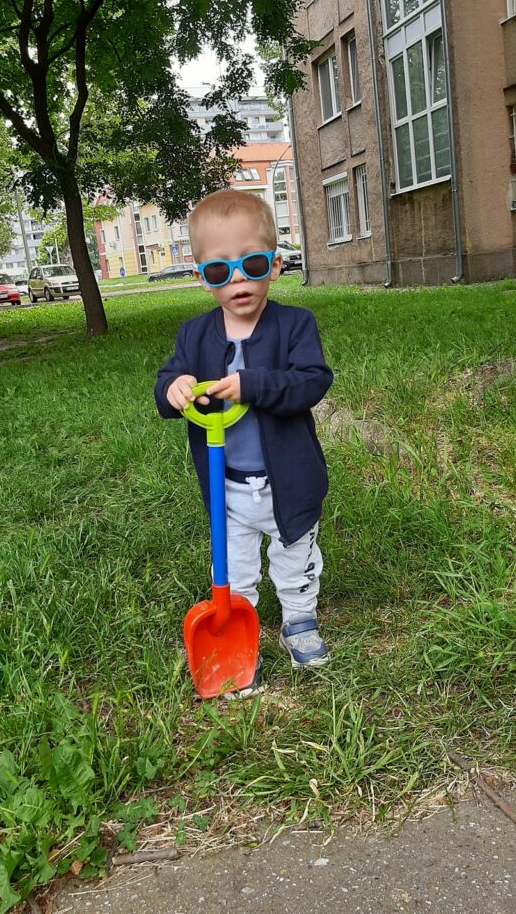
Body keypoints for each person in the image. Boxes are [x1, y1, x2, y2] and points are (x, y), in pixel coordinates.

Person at [154, 189, 333, 693]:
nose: (237, 280)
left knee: (295, 556)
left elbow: (312, 381)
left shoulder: (295, 325)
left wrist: (253, 385)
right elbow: (166, 386)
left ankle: (299, 618)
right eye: (219, 270)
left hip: (288, 481)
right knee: (232, 565)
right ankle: (234, 622)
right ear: (201, 277)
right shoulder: (193, 336)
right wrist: (175, 388)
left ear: (274, 265)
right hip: (227, 485)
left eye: (251, 264)